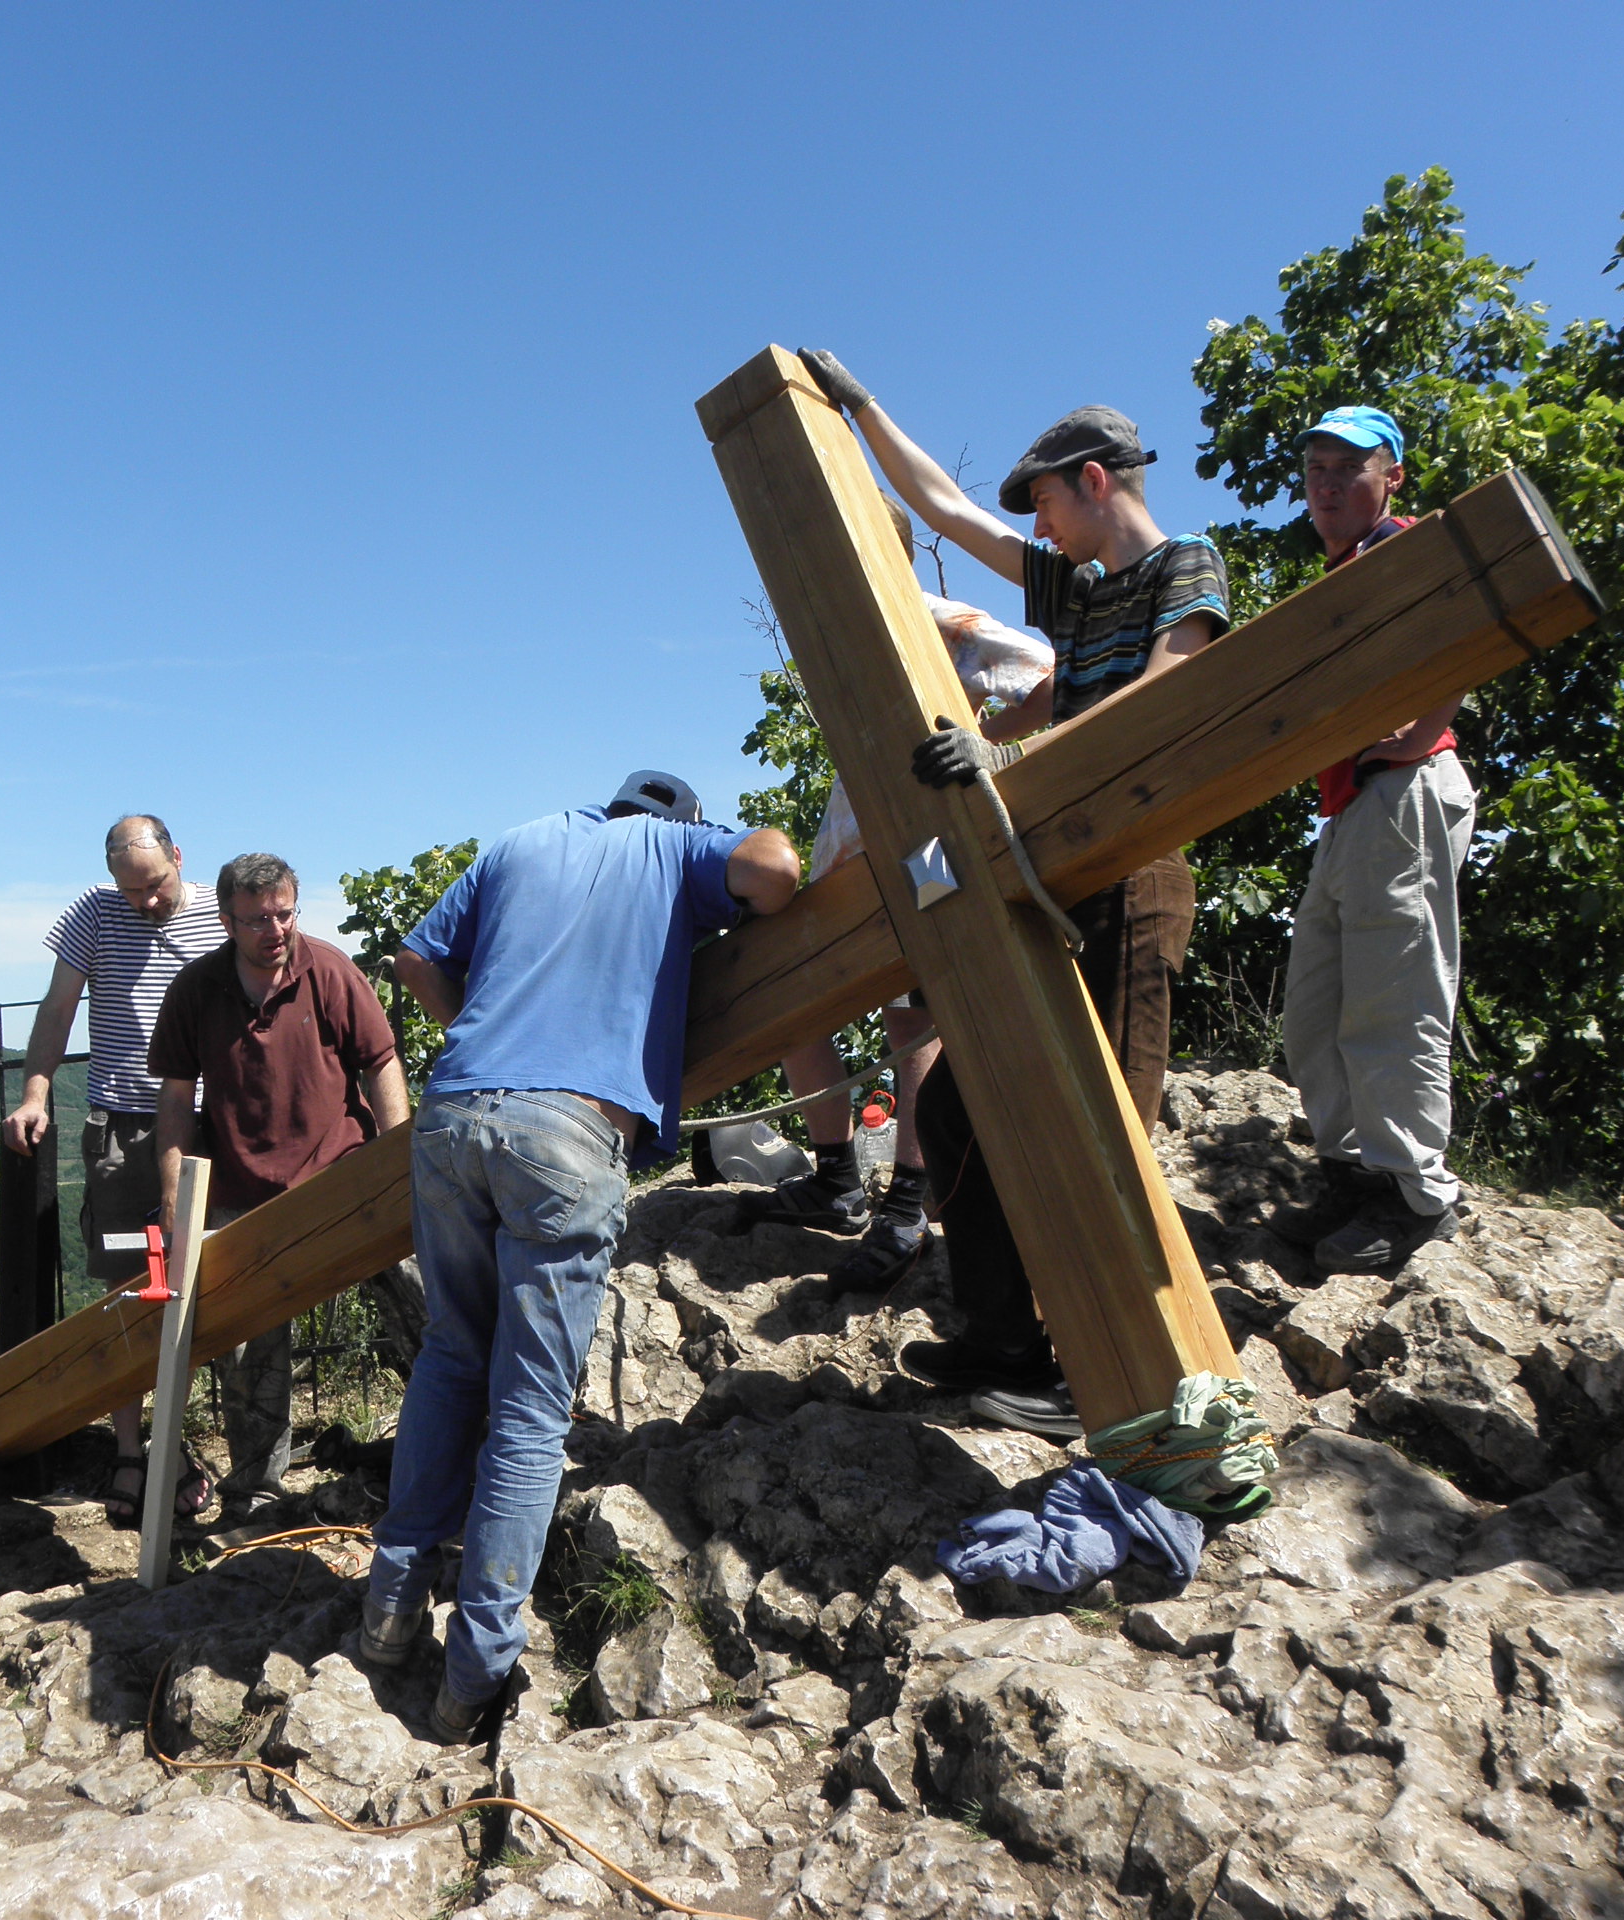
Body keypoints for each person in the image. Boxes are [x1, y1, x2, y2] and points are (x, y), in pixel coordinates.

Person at [797, 349, 1229, 1438]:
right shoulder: (1073, 589)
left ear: (1095, 478)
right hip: (1059, 875)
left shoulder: (1185, 567)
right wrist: (861, 409)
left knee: (1102, 1128)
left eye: (1042, 500)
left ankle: (1108, 1374)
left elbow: (1160, 701)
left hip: (1134, 871)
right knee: (952, 1106)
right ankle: (1002, 1342)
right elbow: (940, 506)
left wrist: (1004, 763)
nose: (1033, 530)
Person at [357, 772, 800, 1740]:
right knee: (525, 1410)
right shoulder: (672, 851)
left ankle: (388, 1613)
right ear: (679, 822)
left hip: (453, 1113)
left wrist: (488, 1028)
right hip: (566, 1133)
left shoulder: (521, 839)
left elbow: (416, 959)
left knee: (448, 1354)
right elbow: (774, 866)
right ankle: (473, 1675)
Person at [743, 495, 1053, 1297]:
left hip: (928, 847)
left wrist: (995, 750)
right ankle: (839, 1175)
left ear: (887, 546)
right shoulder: (841, 630)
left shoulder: (938, 617)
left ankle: (909, 1203)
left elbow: (1050, 674)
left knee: (913, 1015)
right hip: (854, 855)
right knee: (795, 998)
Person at [145, 852, 411, 1526]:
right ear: (227, 920)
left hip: (340, 1176)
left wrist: (399, 1161)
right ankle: (255, 1497)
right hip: (239, 1189)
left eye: (285, 913)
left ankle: (461, 1444)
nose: (275, 929)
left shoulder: (330, 970)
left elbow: (381, 1062)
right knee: (247, 1355)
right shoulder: (196, 989)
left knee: (424, 1299)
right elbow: (176, 1102)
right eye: (258, 918)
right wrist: (178, 1195)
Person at [1279, 406, 1477, 1269]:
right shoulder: (1344, 568)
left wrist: (1421, 727)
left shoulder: (1399, 543)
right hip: (1356, 806)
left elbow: (1469, 627)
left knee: (1392, 1000)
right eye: (1316, 468)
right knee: (1314, 1010)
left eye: (1348, 468)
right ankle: (1353, 1179)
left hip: (1403, 791)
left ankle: (1415, 1197)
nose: (1327, 483)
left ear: (1390, 475)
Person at [2, 814, 228, 1526]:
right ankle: (131, 1452)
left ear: (178, 860)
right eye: (132, 892)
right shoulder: (93, 914)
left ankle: (185, 1448)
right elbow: (58, 1007)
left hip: (208, 1127)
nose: (147, 904)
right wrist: (36, 1091)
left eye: (156, 887)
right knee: (131, 1293)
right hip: (123, 1129)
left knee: (210, 1290)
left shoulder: (221, 918)